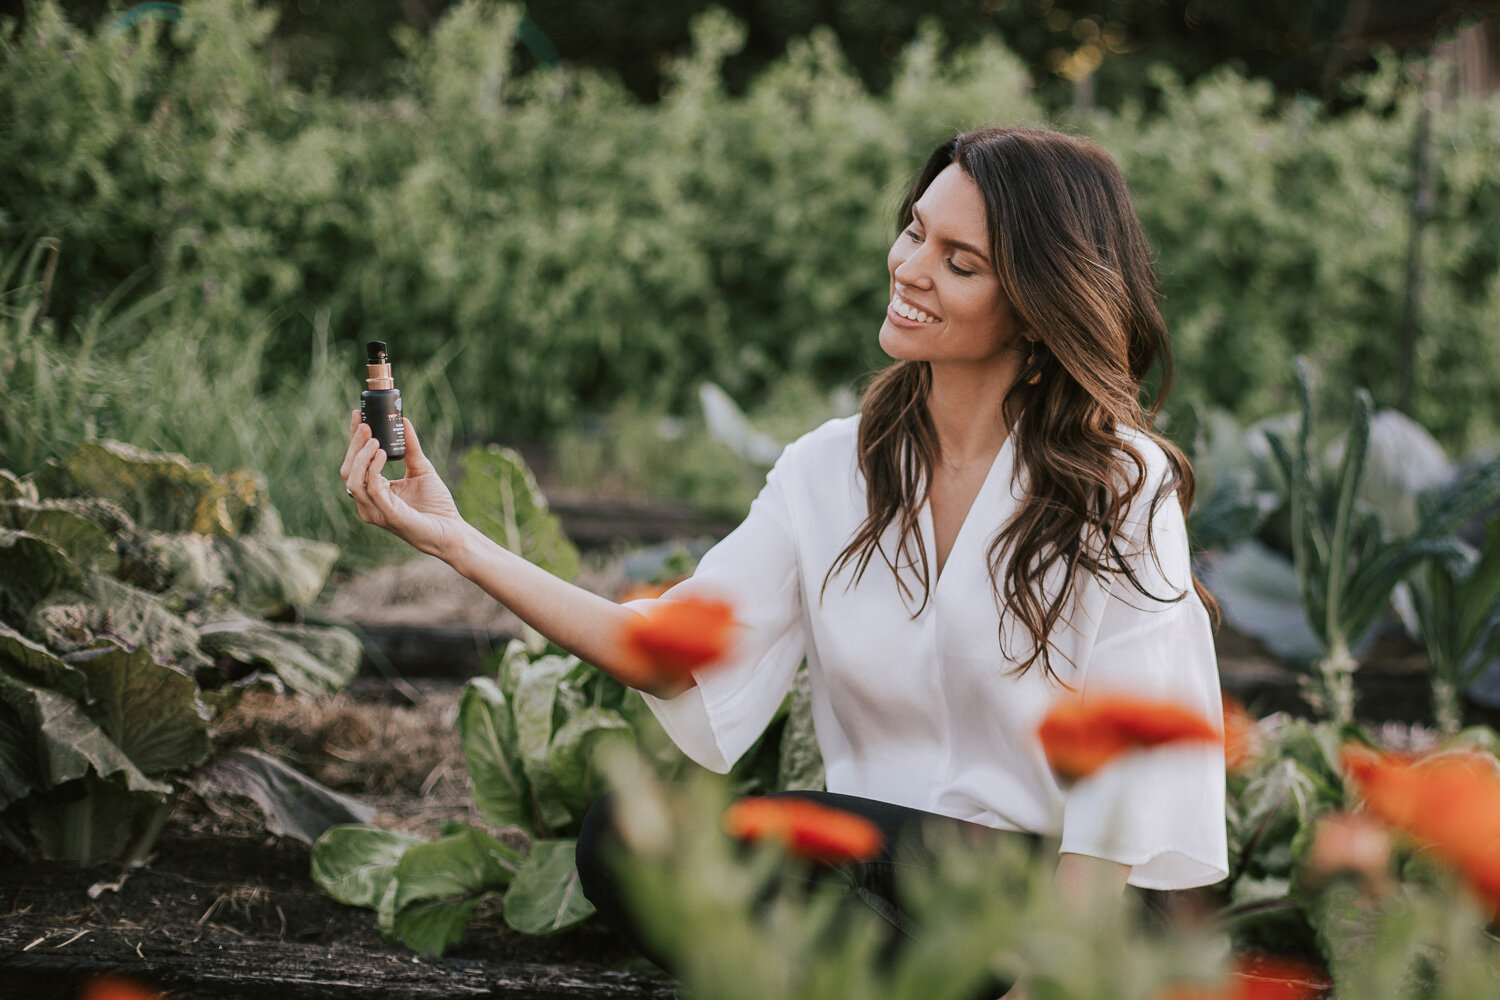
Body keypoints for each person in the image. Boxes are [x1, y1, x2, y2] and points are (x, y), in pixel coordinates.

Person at [339, 125, 1229, 997]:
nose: (912, 267)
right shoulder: (829, 469)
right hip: (888, 891)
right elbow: (669, 654)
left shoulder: (1115, 482)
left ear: (1037, 308)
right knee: (630, 838)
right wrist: (456, 541)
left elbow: (1126, 776)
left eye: (961, 262)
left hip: (1072, 908)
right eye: (916, 230)